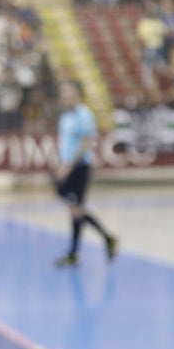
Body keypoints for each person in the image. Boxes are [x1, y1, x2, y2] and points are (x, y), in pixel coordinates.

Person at [54, 80, 118, 266]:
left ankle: (78, 251)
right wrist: (62, 163)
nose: (66, 97)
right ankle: (104, 239)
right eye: (64, 94)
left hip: (79, 168)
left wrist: (68, 165)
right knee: (75, 209)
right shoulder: (65, 116)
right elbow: (65, 143)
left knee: (76, 209)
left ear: (77, 95)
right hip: (67, 165)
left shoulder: (84, 114)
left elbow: (85, 142)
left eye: (69, 93)